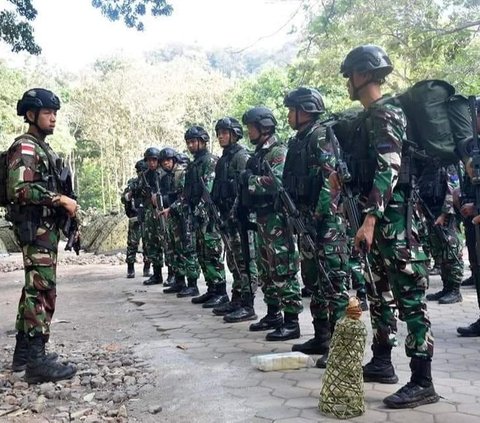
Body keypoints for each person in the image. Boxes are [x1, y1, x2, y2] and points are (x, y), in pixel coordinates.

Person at [338, 45, 438, 408]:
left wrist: (369, 220)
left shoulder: (386, 112)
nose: (348, 81)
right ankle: (382, 361)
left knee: (410, 299)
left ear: (363, 74)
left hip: (393, 224)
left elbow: (390, 167)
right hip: (378, 225)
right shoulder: (367, 117)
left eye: (350, 74)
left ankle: (423, 380)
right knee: (381, 295)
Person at [6, 88, 77, 383]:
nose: (53, 118)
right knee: (41, 291)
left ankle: (24, 355)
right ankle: (36, 361)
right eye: (48, 113)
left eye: (55, 113)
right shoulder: (26, 147)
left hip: (44, 230)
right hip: (35, 230)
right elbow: (18, 189)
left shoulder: (41, 147)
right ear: (31, 115)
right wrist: (59, 200)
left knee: (33, 290)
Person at [282, 87, 349, 366]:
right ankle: (322, 336)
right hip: (307, 219)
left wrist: (321, 217)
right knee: (312, 279)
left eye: (291, 109)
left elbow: (328, 179)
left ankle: (342, 345)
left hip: (326, 222)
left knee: (332, 280)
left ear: (305, 110)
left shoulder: (321, 135)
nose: (288, 115)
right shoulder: (300, 139)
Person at [239, 106, 303, 341]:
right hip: (262, 218)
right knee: (266, 268)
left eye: (251, 127)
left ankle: (292, 321)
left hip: (277, 217)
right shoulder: (258, 153)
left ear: (263, 127)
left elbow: (277, 181)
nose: (249, 132)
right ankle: (273, 313)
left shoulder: (278, 151)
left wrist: (250, 181)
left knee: (282, 267)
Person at [211, 117, 259, 322]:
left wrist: (235, 212)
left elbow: (244, 188)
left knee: (245, 260)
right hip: (226, 217)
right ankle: (237, 297)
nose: (221, 136)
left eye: (224, 132)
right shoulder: (223, 159)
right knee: (233, 259)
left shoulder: (242, 156)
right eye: (219, 133)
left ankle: (248, 303)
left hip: (240, 217)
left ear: (235, 133)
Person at [182, 126, 228, 308]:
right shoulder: (194, 165)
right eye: (189, 142)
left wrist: (201, 212)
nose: (191, 145)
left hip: (209, 217)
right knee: (202, 253)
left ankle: (221, 291)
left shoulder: (210, 161)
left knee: (213, 253)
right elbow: (188, 191)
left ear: (203, 141)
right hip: (196, 216)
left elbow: (208, 191)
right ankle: (211, 289)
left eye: (194, 141)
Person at [419, 164, 463, 304]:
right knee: (439, 252)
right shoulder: (427, 165)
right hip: (431, 212)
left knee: (451, 251)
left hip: (445, 215)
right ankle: (447, 288)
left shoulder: (448, 164)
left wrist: (444, 214)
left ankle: (455, 290)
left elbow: (453, 190)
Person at [157, 147, 196, 296]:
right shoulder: (169, 176)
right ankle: (180, 281)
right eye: (163, 161)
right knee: (176, 248)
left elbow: (184, 197)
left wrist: (171, 208)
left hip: (184, 216)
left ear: (173, 160)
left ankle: (192, 283)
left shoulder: (181, 173)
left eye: (168, 160)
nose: (165, 163)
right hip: (175, 216)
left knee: (187, 248)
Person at [138, 147, 165, 286]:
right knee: (151, 242)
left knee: (166, 242)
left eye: (154, 160)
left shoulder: (163, 173)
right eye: (149, 160)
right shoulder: (145, 175)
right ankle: (157, 273)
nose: (151, 163)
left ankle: (174, 275)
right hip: (149, 211)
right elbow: (139, 192)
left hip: (162, 210)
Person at [121, 159, 151, 279]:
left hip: (146, 217)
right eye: (140, 172)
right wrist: (131, 193)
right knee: (132, 243)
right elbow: (124, 199)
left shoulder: (150, 182)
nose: (141, 174)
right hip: (134, 216)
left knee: (148, 243)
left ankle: (147, 267)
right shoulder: (133, 184)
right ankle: (130, 268)